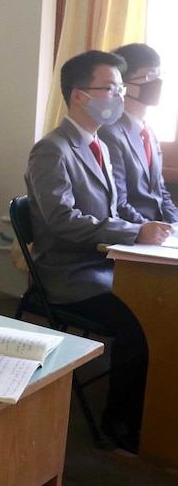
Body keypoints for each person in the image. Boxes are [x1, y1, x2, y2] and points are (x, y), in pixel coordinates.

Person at [24, 50, 174, 453]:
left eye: (120, 88)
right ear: (79, 96)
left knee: (161, 308)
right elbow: (63, 221)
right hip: (67, 273)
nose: (118, 96)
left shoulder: (99, 146)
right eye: (109, 88)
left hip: (103, 262)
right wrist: (132, 231)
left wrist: (147, 227)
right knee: (141, 324)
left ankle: (152, 411)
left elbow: (115, 207)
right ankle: (119, 421)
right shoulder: (51, 150)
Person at [99, 43, 178, 224]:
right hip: (134, 233)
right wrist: (148, 230)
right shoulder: (110, 134)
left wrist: (173, 228)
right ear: (122, 84)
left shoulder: (149, 132)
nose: (157, 82)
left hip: (157, 232)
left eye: (159, 75)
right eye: (150, 76)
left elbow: (160, 191)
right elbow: (118, 203)